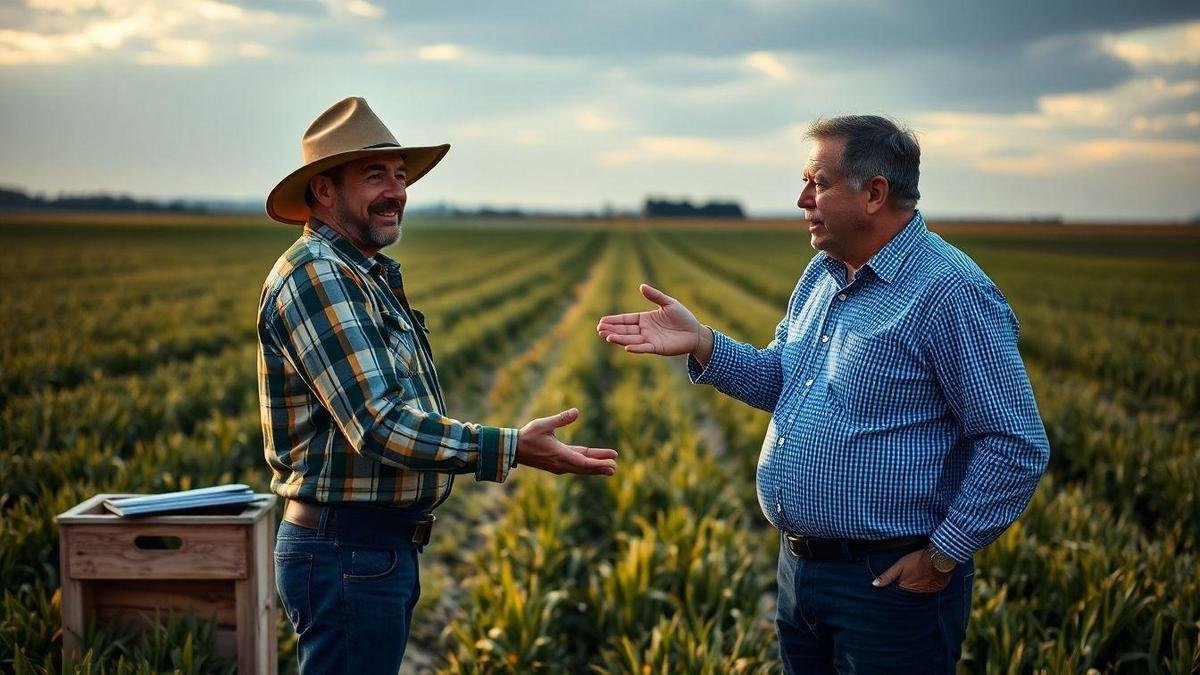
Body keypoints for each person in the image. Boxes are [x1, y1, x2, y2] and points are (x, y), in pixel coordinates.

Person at [597, 115, 1049, 673]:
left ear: (874, 193)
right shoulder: (821, 276)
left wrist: (942, 555)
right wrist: (704, 343)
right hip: (801, 574)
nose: (801, 198)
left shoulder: (950, 291)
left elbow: (1014, 442)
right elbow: (785, 383)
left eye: (819, 182)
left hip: (887, 589)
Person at [258, 96, 617, 674]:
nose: (396, 191)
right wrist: (509, 446)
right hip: (347, 549)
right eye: (375, 175)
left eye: (400, 176)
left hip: (369, 548)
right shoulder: (319, 277)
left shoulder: (361, 274)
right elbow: (378, 424)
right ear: (323, 191)